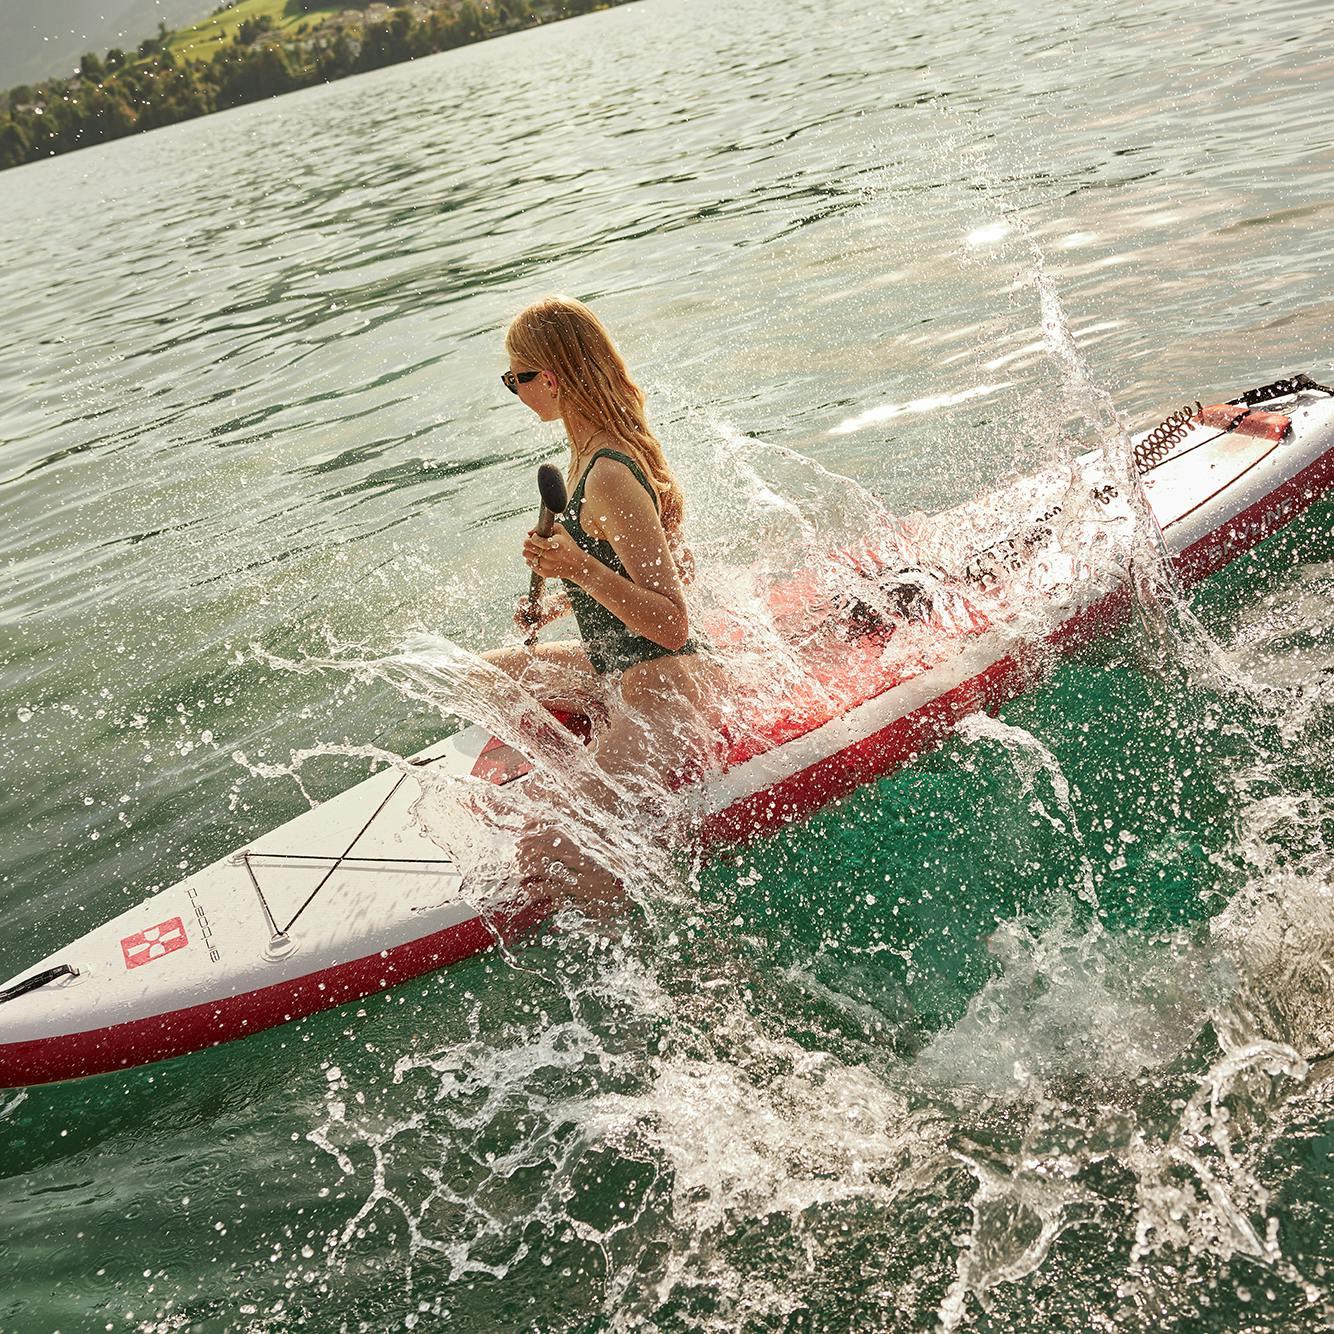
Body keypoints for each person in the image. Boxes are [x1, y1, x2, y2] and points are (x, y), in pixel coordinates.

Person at [483, 296, 720, 909]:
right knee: (483, 675)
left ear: (552, 378)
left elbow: (672, 623)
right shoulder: (588, 454)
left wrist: (580, 568)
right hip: (616, 670)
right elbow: (666, 569)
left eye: (518, 378)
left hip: (661, 702)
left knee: (542, 848)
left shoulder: (609, 472)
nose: (514, 390)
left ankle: (662, 961)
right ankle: (585, 770)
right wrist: (562, 598)